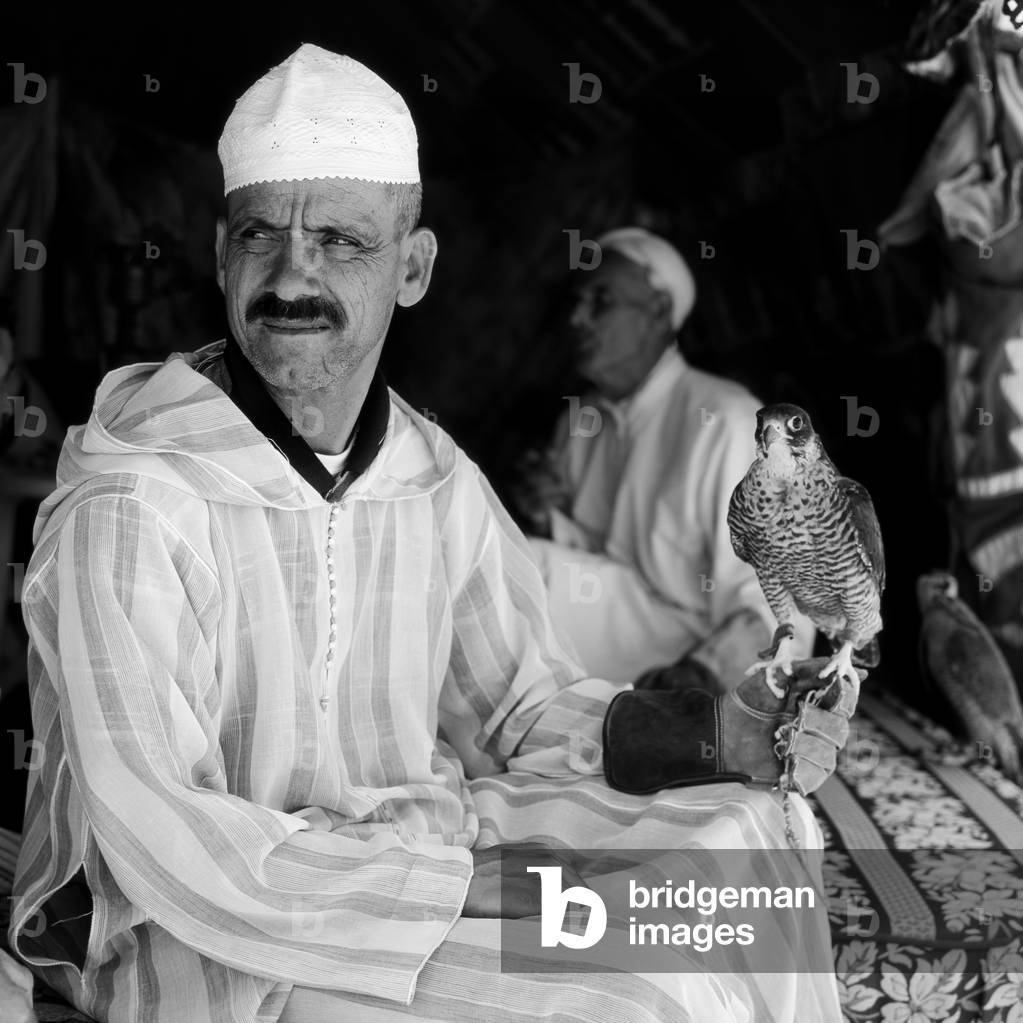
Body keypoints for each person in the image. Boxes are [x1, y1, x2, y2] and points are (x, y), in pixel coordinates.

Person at [7, 45, 848, 1023]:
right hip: (216, 938)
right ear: (220, 255)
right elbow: (161, 837)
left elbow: (526, 706)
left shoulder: (430, 477)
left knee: (738, 849)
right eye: (259, 236)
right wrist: (475, 896)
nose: (292, 276)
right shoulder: (140, 499)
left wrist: (720, 734)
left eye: (341, 241)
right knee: (627, 994)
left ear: (413, 269)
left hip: (419, 848)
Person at [520, 230, 814, 689]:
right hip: (627, 634)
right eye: (577, 302)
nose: (577, 319)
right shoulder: (580, 422)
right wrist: (546, 517)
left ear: (658, 311)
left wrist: (699, 678)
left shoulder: (726, 420)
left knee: (524, 575)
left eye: (600, 301)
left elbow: (779, 595)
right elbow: (599, 571)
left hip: (701, 655)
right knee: (513, 563)